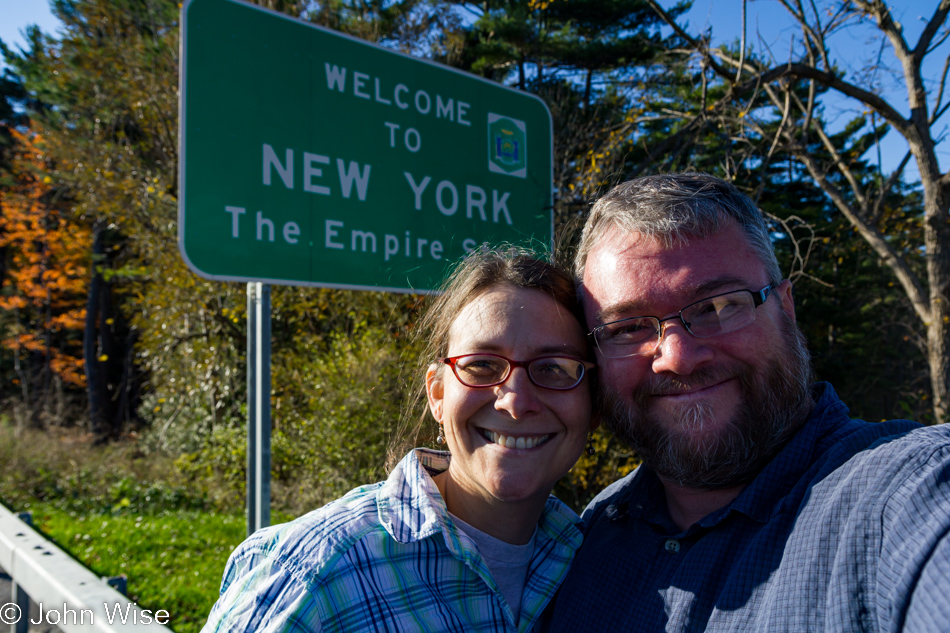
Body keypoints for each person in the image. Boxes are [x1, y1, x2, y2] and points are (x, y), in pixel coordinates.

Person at [545, 173, 950, 632]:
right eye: (628, 328)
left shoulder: (906, 496)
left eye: (717, 307)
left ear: (786, 307)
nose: (677, 359)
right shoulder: (589, 535)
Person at [202, 247, 599, 633]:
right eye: (481, 365)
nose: (515, 402)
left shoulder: (596, 557)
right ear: (438, 396)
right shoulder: (312, 573)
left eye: (554, 368)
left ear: (594, 405)